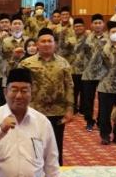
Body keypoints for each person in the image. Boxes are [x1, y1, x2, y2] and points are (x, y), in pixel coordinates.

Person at [18, 28, 74, 165]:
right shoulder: (27, 63)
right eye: (43, 41)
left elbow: (69, 86)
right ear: (37, 44)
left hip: (58, 111)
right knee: (34, 144)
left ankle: (56, 175)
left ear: (54, 44)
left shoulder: (63, 63)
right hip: (34, 110)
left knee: (55, 145)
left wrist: (70, 109)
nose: (47, 44)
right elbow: (19, 87)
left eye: (50, 41)